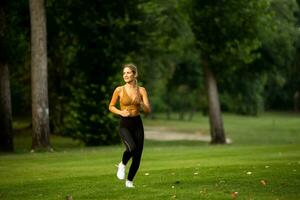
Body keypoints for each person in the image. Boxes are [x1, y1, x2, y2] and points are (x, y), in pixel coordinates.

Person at [108, 63, 151, 188]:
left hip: (137, 123)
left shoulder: (142, 90)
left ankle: (129, 182)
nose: (125, 75)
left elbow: (148, 110)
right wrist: (121, 112)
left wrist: (142, 104)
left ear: (134, 74)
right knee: (131, 148)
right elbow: (110, 106)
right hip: (125, 124)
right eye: (124, 73)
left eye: (128, 72)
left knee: (137, 155)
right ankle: (122, 164)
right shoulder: (119, 90)